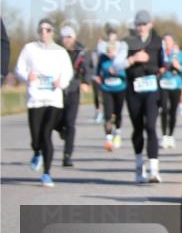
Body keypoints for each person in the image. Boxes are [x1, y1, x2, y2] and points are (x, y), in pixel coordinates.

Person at [15, 18, 73, 186]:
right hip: (35, 98)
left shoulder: (60, 52)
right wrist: (27, 76)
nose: (44, 33)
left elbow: (68, 73)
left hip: (53, 98)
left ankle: (47, 173)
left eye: (47, 30)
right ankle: (37, 151)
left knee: (46, 134)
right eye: (41, 30)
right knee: (36, 137)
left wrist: (60, 83)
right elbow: (19, 68)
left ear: (52, 32)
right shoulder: (29, 49)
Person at [123, 10, 165, 183]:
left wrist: (157, 70)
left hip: (151, 88)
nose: (141, 27)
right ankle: (139, 167)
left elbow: (163, 64)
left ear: (150, 25)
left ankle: (154, 170)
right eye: (138, 24)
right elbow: (119, 64)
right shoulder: (127, 42)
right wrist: (133, 59)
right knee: (138, 128)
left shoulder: (157, 41)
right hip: (133, 89)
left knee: (151, 126)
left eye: (144, 24)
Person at [56, 24, 91, 167]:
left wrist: (85, 82)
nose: (67, 40)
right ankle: (60, 129)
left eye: (69, 37)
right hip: (57, 90)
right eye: (64, 37)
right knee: (55, 121)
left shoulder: (81, 52)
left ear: (74, 37)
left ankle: (67, 155)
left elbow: (87, 69)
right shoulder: (55, 51)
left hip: (73, 89)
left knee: (70, 123)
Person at [159, 34, 182, 149]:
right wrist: (159, 70)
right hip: (163, 85)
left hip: (175, 85)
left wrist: (179, 67)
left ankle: (171, 135)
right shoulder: (160, 54)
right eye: (165, 41)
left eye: (169, 41)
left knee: (173, 111)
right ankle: (164, 136)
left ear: (173, 43)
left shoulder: (180, 55)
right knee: (164, 109)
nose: (167, 43)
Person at [96, 35, 127, 150]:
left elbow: (126, 74)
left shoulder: (120, 59)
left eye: (112, 51)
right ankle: (108, 138)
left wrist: (117, 73)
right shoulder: (103, 58)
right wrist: (98, 78)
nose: (110, 54)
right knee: (107, 114)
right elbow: (98, 72)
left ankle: (117, 133)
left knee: (118, 113)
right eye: (108, 51)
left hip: (120, 88)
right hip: (106, 88)